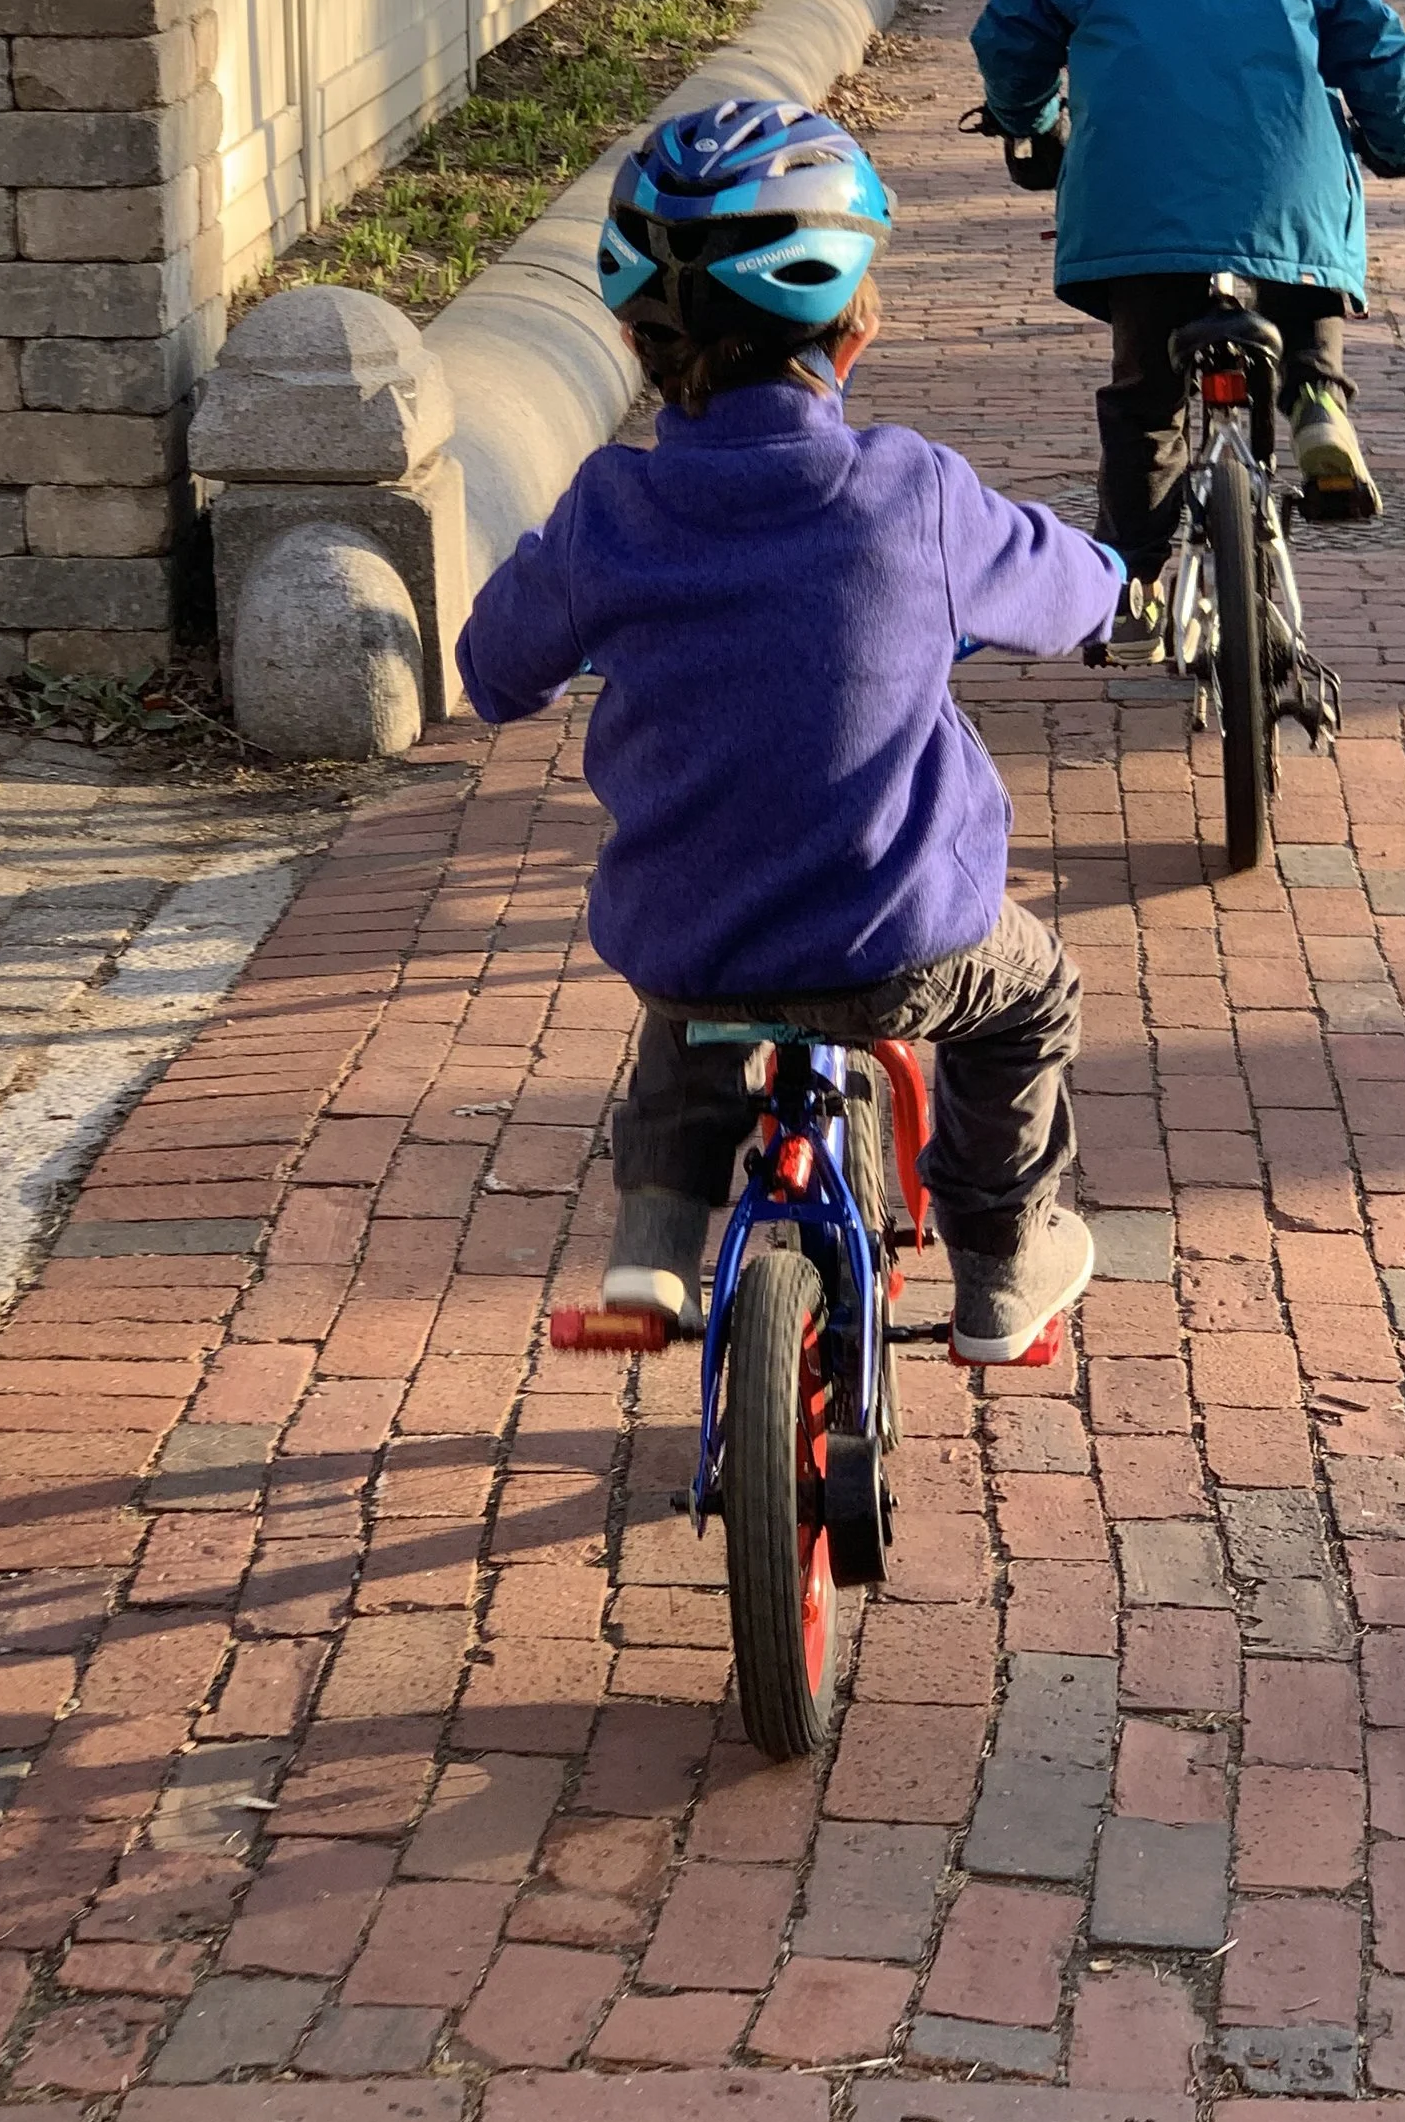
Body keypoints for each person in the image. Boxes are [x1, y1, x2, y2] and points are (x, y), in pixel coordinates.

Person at [456, 100, 1123, 1366]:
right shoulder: (911, 494)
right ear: (853, 326)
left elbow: (494, 671)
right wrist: (1109, 573)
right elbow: (1062, 587)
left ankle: (652, 1247)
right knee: (1032, 998)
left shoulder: (610, 513)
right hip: (902, 940)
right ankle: (1001, 1263)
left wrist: (554, 648)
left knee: (692, 1020)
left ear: (635, 337)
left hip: (692, 941)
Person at [968, 0, 1405, 658]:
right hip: (1286, 212)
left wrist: (1029, 125)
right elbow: (1380, 56)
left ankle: (1133, 581)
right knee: (1298, 251)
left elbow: (1009, 33)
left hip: (1136, 224)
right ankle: (1317, 399)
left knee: (1143, 405)